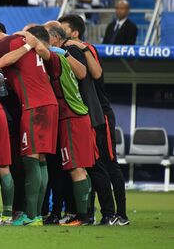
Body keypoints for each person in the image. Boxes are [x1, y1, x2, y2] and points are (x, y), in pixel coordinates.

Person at [0, 19, 59, 226]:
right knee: (40, 161)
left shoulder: (5, 44)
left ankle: (31, 216)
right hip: (49, 104)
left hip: (34, 107)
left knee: (31, 159)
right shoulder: (31, 47)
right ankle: (37, 215)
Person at [58, 14, 127, 225]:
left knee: (107, 164)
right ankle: (96, 213)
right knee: (92, 164)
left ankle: (119, 214)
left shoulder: (84, 48)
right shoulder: (70, 51)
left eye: (64, 29)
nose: (61, 34)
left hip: (100, 114)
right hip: (87, 113)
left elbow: (96, 73)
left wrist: (84, 48)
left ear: (75, 33)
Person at [26, 26, 95, 226]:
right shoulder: (64, 58)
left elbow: (42, 50)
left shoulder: (55, 58)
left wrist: (25, 36)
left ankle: (83, 217)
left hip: (71, 117)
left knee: (76, 169)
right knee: (80, 168)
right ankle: (86, 214)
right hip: (76, 116)